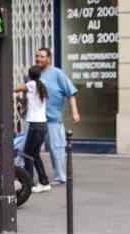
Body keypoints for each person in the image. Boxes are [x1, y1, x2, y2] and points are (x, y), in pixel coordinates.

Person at [35, 47, 79, 185]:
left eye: (42, 56)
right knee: (29, 148)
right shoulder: (34, 73)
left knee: (56, 148)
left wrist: (75, 112)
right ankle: (25, 175)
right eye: (37, 56)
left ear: (48, 58)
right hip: (36, 119)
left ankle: (60, 176)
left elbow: (71, 93)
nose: (38, 59)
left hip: (53, 120)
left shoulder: (57, 74)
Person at [15, 66, 50, 193]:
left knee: (27, 155)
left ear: (29, 75)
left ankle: (29, 183)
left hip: (35, 126)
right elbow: (32, 101)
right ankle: (44, 182)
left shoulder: (31, 84)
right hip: (42, 125)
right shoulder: (42, 84)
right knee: (34, 154)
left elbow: (15, 89)